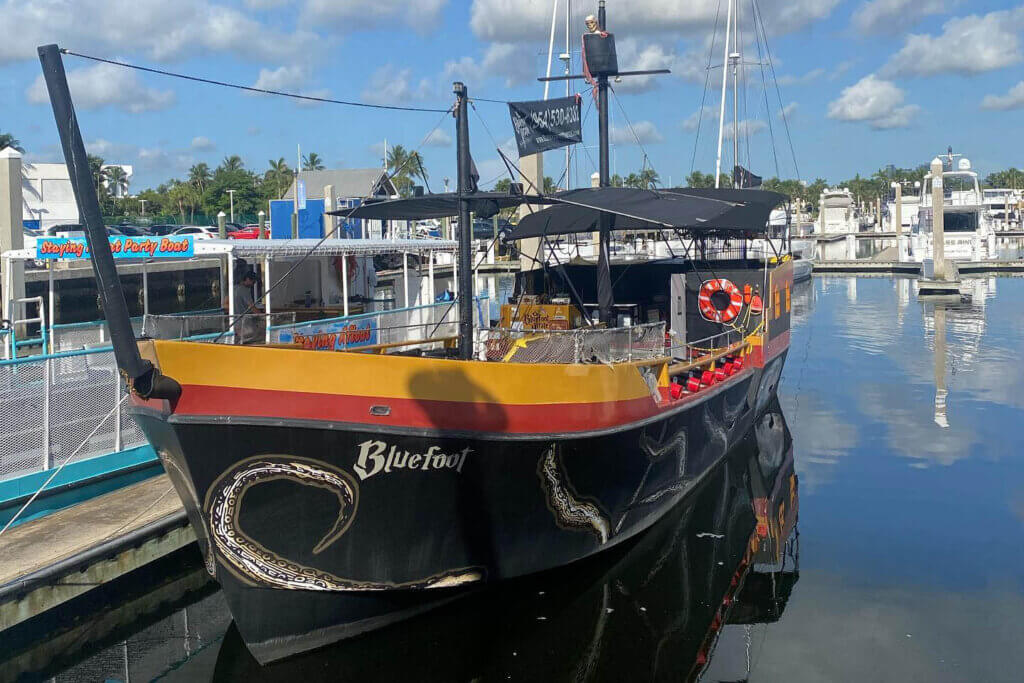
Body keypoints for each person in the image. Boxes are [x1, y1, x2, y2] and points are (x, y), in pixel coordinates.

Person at [232, 270, 261, 344]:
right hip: (243, 322)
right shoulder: (244, 290)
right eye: (253, 282)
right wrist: (262, 315)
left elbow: (225, 303)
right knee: (258, 334)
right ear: (247, 279)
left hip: (233, 320)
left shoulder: (233, 288)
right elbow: (251, 306)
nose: (253, 284)